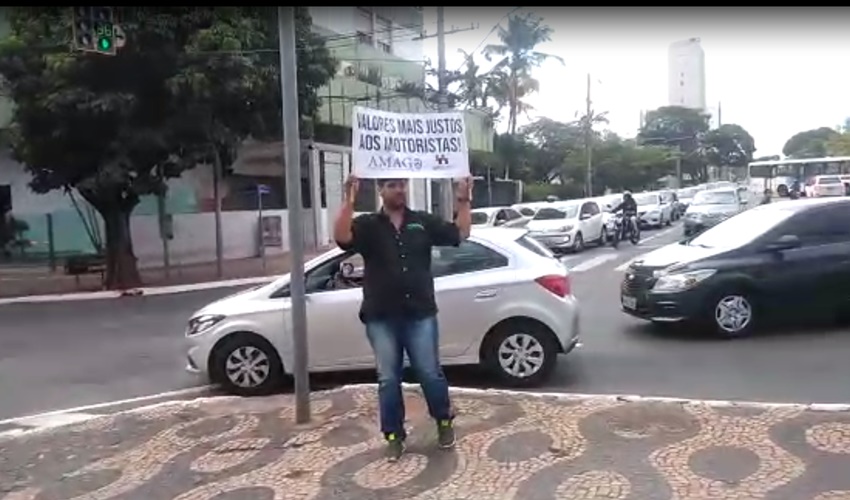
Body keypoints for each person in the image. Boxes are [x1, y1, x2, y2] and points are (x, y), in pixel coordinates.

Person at [333, 175, 473, 462]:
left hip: (419, 312)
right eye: (392, 185)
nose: (400, 190)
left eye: (402, 184)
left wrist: (463, 198)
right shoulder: (369, 225)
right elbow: (342, 238)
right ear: (381, 191)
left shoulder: (422, 221)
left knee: (429, 373)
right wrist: (348, 201)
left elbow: (461, 233)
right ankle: (394, 435)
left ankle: (444, 421)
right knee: (388, 379)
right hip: (381, 316)